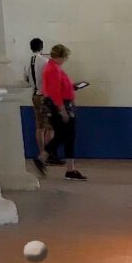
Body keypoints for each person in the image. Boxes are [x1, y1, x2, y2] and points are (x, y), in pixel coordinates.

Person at [42, 44, 86, 181]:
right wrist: (62, 111)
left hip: (63, 104)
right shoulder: (53, 69)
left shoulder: (53, 68)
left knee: (67, 136)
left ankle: (70, 169)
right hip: (62, 106)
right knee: (65, 135)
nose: (65, 60)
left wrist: (71, 87)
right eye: (65, 57)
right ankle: (42, 157)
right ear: (60, 56)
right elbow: (55, 92)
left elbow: (59, 87)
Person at [25, 37, 53, 175]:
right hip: (45, 96)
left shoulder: (27, 62)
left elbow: (26, 79)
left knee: (39, 127)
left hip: (34, 95)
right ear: (42, 47)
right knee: (51, 127)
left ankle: (41, 152)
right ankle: (46, 154)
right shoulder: (46, 61)